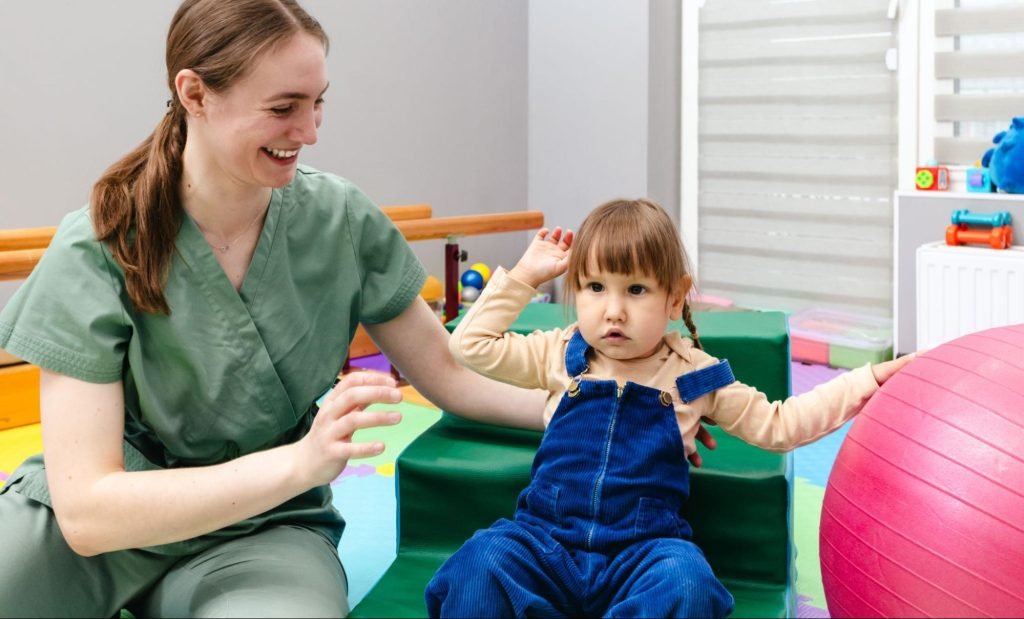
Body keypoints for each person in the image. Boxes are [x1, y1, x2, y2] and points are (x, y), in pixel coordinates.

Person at [0, 1, 567, 617]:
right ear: (193, 93)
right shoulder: (98, 245)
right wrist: (304, 460)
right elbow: (87, 513)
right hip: (110, 519)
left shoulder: (341, 221)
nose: (311, 131)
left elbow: (450, 375)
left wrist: (578, 408)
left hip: (262, 527)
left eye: (318, 101)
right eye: (283, 108)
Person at [425, 198, 917, 618]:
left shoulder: (695, 375)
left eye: (635, 290)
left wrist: (866, 379)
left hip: (642, 552)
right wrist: (527, 276)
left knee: (687, 584)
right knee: (481, 564)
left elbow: (779, 425)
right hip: (546, 541)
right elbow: (471, 345)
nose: (613, 310)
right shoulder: (559, 351)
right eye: (595, 288)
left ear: (675, 296)